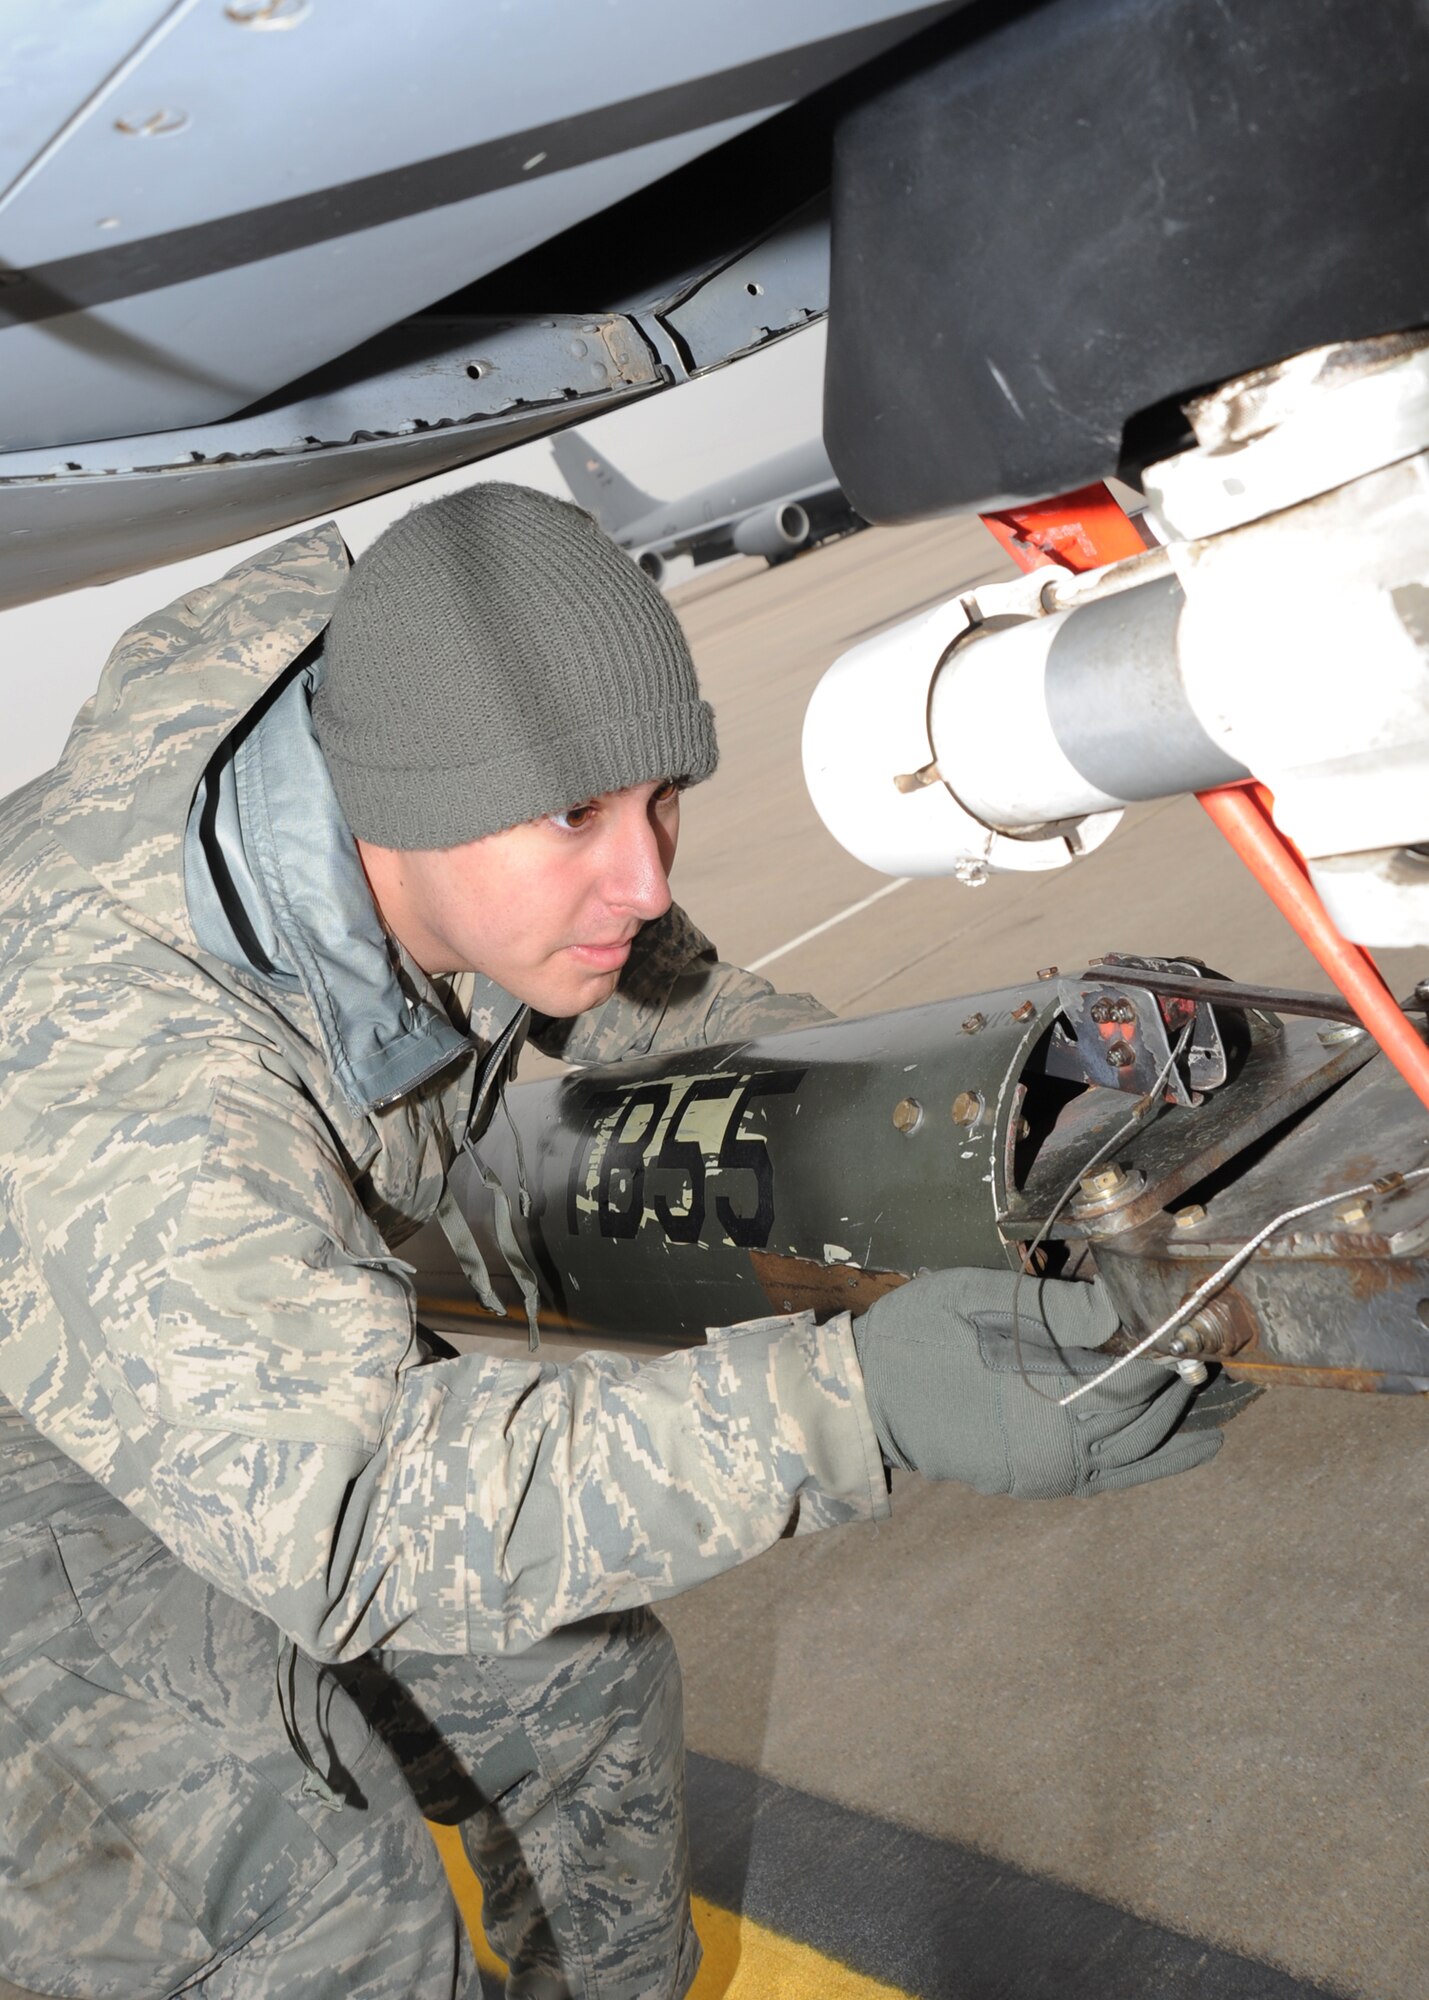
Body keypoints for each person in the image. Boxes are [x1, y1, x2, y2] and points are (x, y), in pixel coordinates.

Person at [0, 483, 1229, 2000]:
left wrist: (952, 1153)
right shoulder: (127, 1058)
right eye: (578, 818)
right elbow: (356, 1520)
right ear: (394, 807)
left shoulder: (436, 777)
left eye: (660, 801)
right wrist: (856, 1402)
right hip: (43, 1471)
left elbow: (677, 1003)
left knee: (582, 1696)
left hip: (220, 1355)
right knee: (314, 1930)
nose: (644, 879)